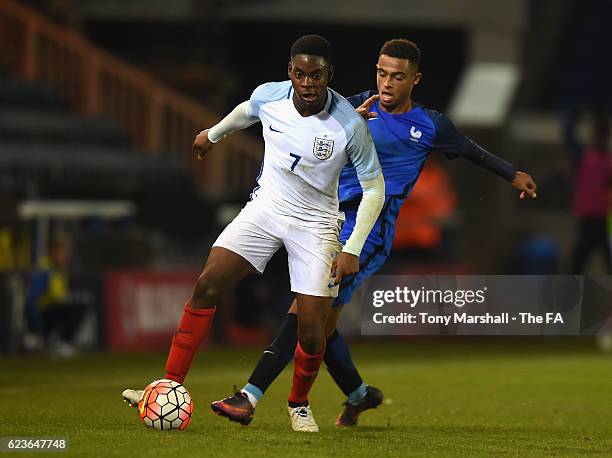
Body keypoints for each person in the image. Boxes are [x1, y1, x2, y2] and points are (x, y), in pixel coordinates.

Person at [211, 38, 538, 429]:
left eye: (397, 77)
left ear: (415, 79)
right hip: (328, 218)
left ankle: (250, 396)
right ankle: (358, 394)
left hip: (370, 230)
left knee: (305, 314)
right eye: (382, 73)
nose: (386, 83)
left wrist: (512, 174)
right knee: (321, 324)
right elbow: (311, 124)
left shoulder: (430, 125)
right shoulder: (355, 106)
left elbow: (470, 150)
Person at [122, 35, 385, 433]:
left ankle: (298, 403)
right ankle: (166, 385)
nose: (308, 82)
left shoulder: (349, 124)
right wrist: (211, 135)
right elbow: (246, 111)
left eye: (316, 75)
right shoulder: (270, 96)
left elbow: (375, 188)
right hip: (266, 209)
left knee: (313, 331)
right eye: (300, 73)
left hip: (316, 224)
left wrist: (351, 248)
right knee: (208, 284)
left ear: (329, 75)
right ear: (290, 72)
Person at [565, 108, 612, 274]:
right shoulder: (586, 156)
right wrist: (574, 113)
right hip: (588, 220)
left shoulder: (607, 160)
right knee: (577, 264)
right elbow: (569, 137)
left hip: (603, 221)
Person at [25, 231, 87, 357]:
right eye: (61, 250)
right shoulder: (45, 270)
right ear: (52, 251)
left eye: (65, 251)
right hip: (42, 315)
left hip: (51, 312)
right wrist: (37, 328)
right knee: (76, 309)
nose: (65, 255)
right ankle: (61, 343)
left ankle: (59, 342)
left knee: (77, 306)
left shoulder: (59, 270)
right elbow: (31, 301)